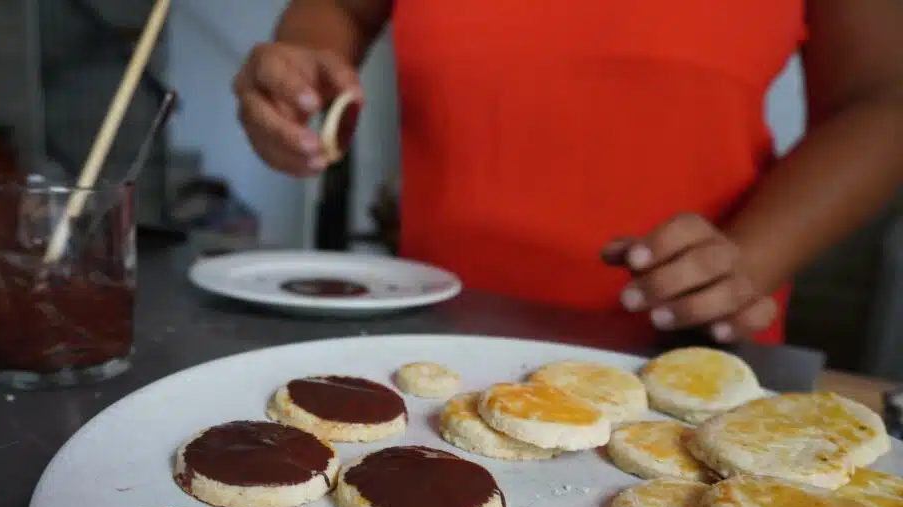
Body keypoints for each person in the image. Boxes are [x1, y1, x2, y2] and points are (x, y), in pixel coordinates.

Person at [233, 1, 903, 344]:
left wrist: (755, 256)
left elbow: (880, 99)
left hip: (691, 358)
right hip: (436, 339)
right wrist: (302, 71)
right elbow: (343, 8)